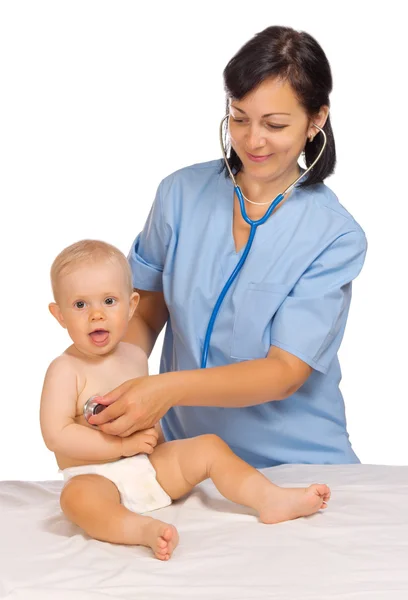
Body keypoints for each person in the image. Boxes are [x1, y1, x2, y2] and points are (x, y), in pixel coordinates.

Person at [90, 25, 367, 469]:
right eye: (239, 117)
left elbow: (284, 373)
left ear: (316, 120)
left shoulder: (334, 236)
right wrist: (115, 376)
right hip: (184, 457)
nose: (252, 140)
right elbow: (145, 308)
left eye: (274, 124)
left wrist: (166, 389)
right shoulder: (179, 194)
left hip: (297, 465)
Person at [40, 239, 331, 560]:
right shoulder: (65, 370)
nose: (96, 315)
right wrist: (120, 448)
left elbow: (147, 413)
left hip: (147, 466)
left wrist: (157, 445)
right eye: (80, 305)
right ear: (59, 315)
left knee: (209, 447)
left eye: (109, 301)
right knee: (77, 501)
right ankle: (142, 530)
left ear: (132, 305)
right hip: (93, 477)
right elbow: (57, 435)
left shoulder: (135, 357)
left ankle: (269, 498)